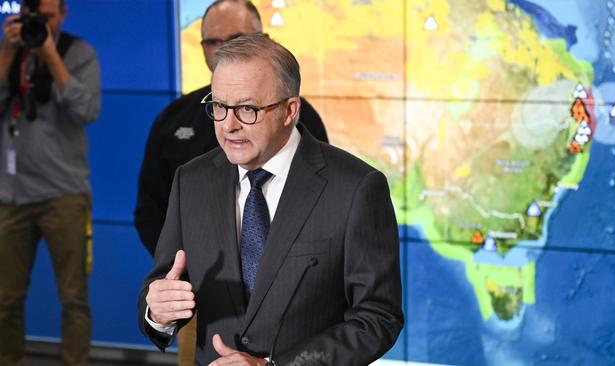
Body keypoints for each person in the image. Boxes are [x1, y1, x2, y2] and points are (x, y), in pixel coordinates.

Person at [138, 33, 402, 366]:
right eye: (219, 107)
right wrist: (158, 314)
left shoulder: (356, 188)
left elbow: (377, 318)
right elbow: (163, 283)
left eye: (247, 109)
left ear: (290, 110)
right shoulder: (191, 180)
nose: (229, 125)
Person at [135, 0, 328, 257]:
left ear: (265, 39)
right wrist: (184, 268)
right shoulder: (173, 119)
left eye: (237, 38)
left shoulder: (299, 118)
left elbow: (321, 202)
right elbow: (151, 210)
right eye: (213, 42)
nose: (225, 49)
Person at [0, 0, 101, 365]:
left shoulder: (79, 52)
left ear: (63, 14)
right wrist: (10, 52)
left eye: (48, 17)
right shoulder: (9, 49)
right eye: (34, 19)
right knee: (4, 300)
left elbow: (87, 110)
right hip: (10, 195)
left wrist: (49, 53)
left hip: (64, 195)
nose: (42, 24)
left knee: (73, 298)